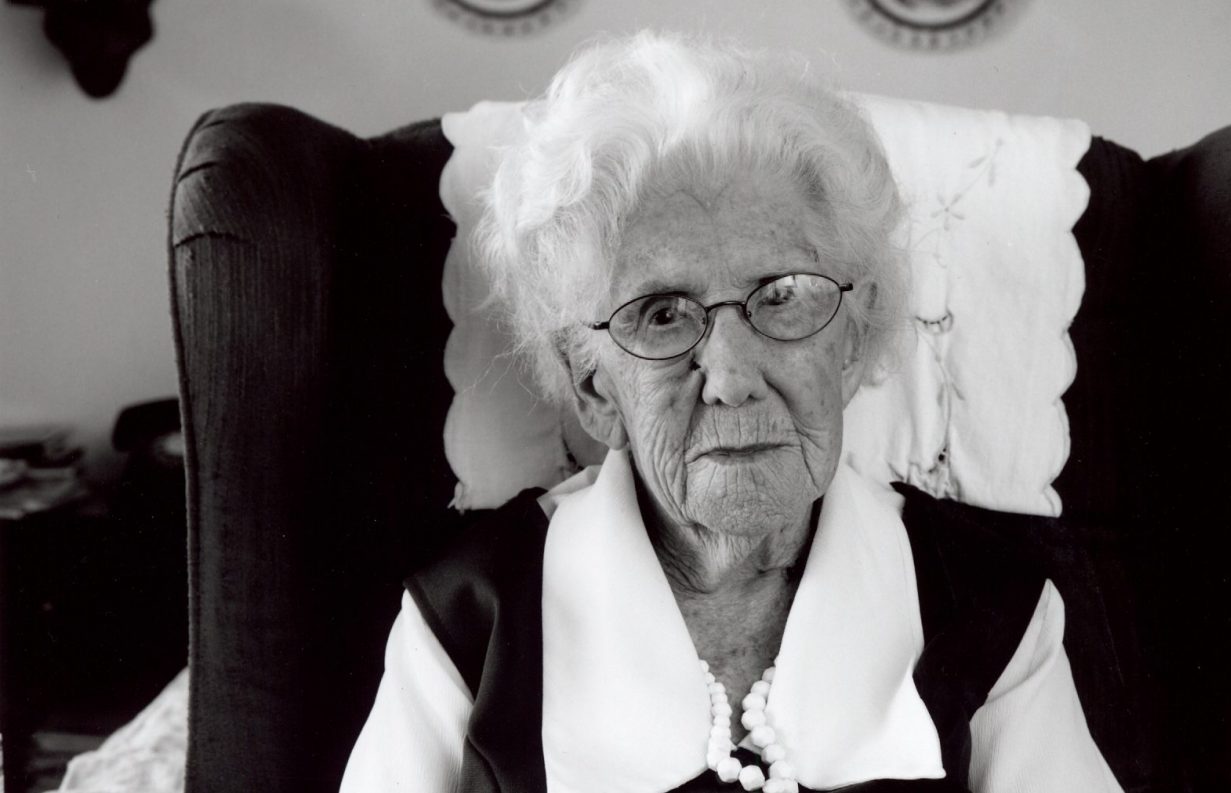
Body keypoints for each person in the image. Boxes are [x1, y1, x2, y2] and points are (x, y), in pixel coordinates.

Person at [338, 32, 1123, 793]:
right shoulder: (464, 630)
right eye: (663, 313)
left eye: (782, 297)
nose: (731, 378)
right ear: (593, 385)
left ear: (854, 336)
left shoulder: (996, 614)